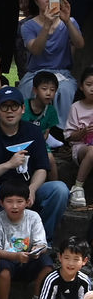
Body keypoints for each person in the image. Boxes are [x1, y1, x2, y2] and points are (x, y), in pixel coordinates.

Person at [0, 85, 68, 244]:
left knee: (60, 190)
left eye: (14, 106)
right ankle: (11, 243)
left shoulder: (33, 132)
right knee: (3, 196)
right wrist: (8, 165)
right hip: (0, 192)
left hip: (28, 187)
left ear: (23, 109)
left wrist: (32, 189)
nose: (10, 111)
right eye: (4, 106)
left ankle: (43, 242)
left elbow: (42, 168)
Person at [0, 177, 54, 299]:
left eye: (19, 201)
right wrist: (16, 256)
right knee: (2, 268)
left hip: (29, 260)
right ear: (1, 203)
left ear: (27, 202)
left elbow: (41, 243)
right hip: (8, 260)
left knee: (48, 265)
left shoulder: (33, 217)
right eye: (9, 201)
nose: (15, 206)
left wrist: (36, 251)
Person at [18, 0, 83, 126]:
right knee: (30, 89)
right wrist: (47, 24)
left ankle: (62, 133)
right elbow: (36, 49)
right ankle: (30, 128)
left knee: (65, 91)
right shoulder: (28, 26)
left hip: (62, 73)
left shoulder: (69, 22)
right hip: (36, 72)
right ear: (36, 1)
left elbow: (79, 44)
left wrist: (67, 22)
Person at [21, 70, 61, 183]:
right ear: (35, 90)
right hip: (23, 141)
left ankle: (54, 185)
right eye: (44, 89)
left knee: (50, 159)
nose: (48, 93)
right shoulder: (24, 107)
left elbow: (47, 131)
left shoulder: (51, 111)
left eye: (52, 90)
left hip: (40, 142)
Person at [64, 65, 93, 207]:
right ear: (81, 87)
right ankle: (77, 187)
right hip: (81, 148)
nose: (92, 88)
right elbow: (69, 137)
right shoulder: (76, 107)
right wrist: (84, 132)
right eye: (89, 85)